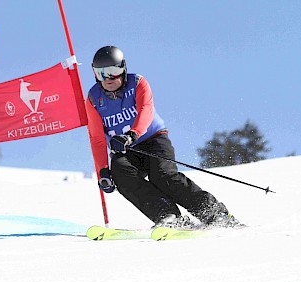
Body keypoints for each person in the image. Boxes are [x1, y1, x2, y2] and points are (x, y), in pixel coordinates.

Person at [85, 45, 241, 228]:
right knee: (120, 173)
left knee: (162, 175)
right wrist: (102, 171)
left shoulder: (137, 83)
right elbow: (96, 138)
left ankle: (214, 213)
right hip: (127, 150)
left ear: (123, 69)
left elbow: (146, 111)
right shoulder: (94, 99)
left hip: (154, 140)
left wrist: (131, 135)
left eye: (113, 71)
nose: (108, 78)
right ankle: (168, 216)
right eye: (101, 73)